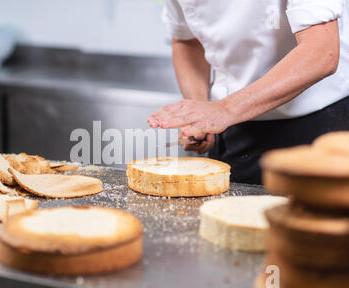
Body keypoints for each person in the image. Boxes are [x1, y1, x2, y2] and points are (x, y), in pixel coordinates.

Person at [148, 0, 349, 184]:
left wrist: (224, 109)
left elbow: (321, 53)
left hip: (317, 127)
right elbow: (187, 40)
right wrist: (200, 118)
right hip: (232, 131)